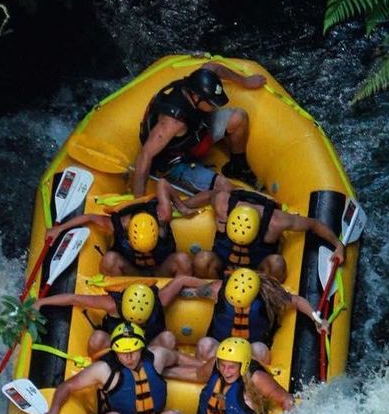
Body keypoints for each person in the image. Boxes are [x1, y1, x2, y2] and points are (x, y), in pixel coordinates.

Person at [41, 323, 183, 414]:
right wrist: (53, 411)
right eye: (123, 352)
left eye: (133, 351)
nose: (129, 357)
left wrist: (201, 365)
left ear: (141, 348)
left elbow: (178, 358)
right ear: (115, 351)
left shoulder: (157, 356)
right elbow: (67, 386)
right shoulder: (103, 369)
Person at [133, 63, 267, 197]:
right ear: (196, 97)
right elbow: (145, 155)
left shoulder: (196, 84)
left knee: (239, 117)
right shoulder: (172, 122)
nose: (215, 107)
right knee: (224, 187)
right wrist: (138, 204)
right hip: (174, 162)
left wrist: (245, 81)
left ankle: (238, 167)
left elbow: (214, 68)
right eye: (212, 104)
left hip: (196, 131)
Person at [167, 337, 295, 414]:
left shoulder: (257, 378)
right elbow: (196, 374)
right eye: (223, 365)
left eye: (232, 367)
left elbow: (287, 399)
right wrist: (160, 371)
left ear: (243, 365)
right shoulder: (215, 365)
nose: (226, 372)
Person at [182, 186, 346, 280]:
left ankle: (265, 300)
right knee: (202, 259)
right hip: (222, 265)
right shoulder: (222, 206)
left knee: (277, 263)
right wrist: (183, 206)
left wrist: (338, 245)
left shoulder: (276, 221)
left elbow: (313, 224)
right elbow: (211, 194)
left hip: (258, 270)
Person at [45, 178, 193, 277]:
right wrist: (59, 229)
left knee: (183, 259)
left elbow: (162, 183)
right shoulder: (118, 225)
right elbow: (90, 217)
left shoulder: (163, 215)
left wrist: (181, 207)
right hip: (133, 271)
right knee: (110, 258)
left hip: (161, 269)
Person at [178, 269, 324, 367]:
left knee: (260, 349)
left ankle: (252, 384)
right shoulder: (217, 289)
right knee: (205, 343)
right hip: (220, 347)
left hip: (251, 350)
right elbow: (192, 293)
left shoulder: (267, 293)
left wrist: (317, 320)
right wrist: (177, 288)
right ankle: (205, 378)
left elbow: (296, 301)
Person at [35, 276, 189, 357]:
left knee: (168, 338)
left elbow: (181, 280)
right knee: (97, 338)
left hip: (147, 348)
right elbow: (74, 298)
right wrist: (42, 302)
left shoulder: (160, 299)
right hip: (116, 349)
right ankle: (95, 365)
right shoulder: (111, 304)